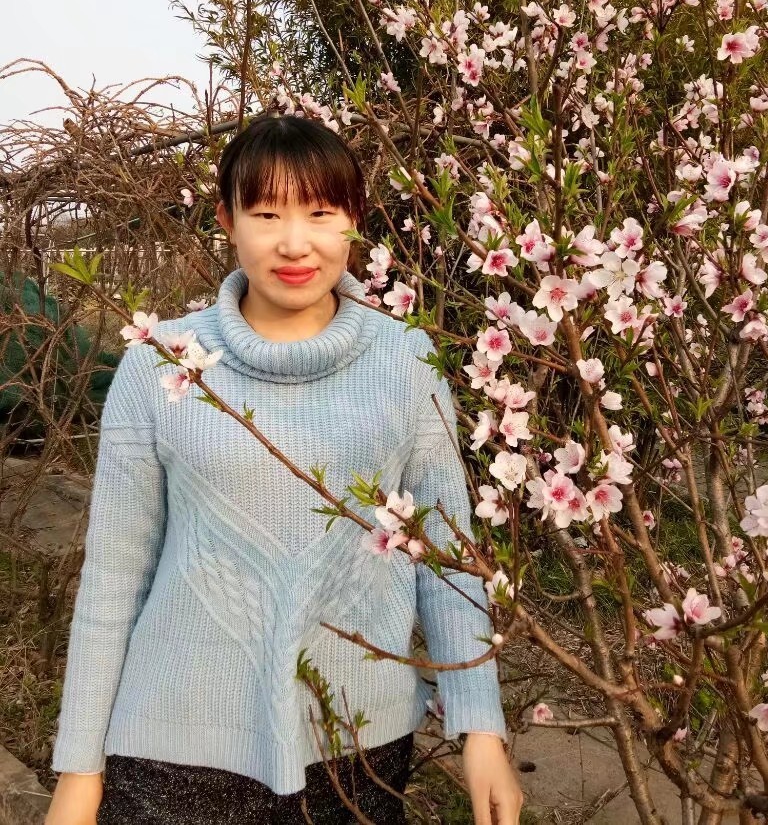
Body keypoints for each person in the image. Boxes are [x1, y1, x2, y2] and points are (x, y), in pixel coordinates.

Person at [45, 114, 524, 825]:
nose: (295, 243)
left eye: (321, 213)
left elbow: (448, 557)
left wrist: (481, 726)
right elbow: (115, 577)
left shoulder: (405, 359)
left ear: (354, 221)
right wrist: (79, 771)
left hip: (356, 739)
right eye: (266, 214)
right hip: (174, 744)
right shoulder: (158, 365)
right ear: (227, 221)